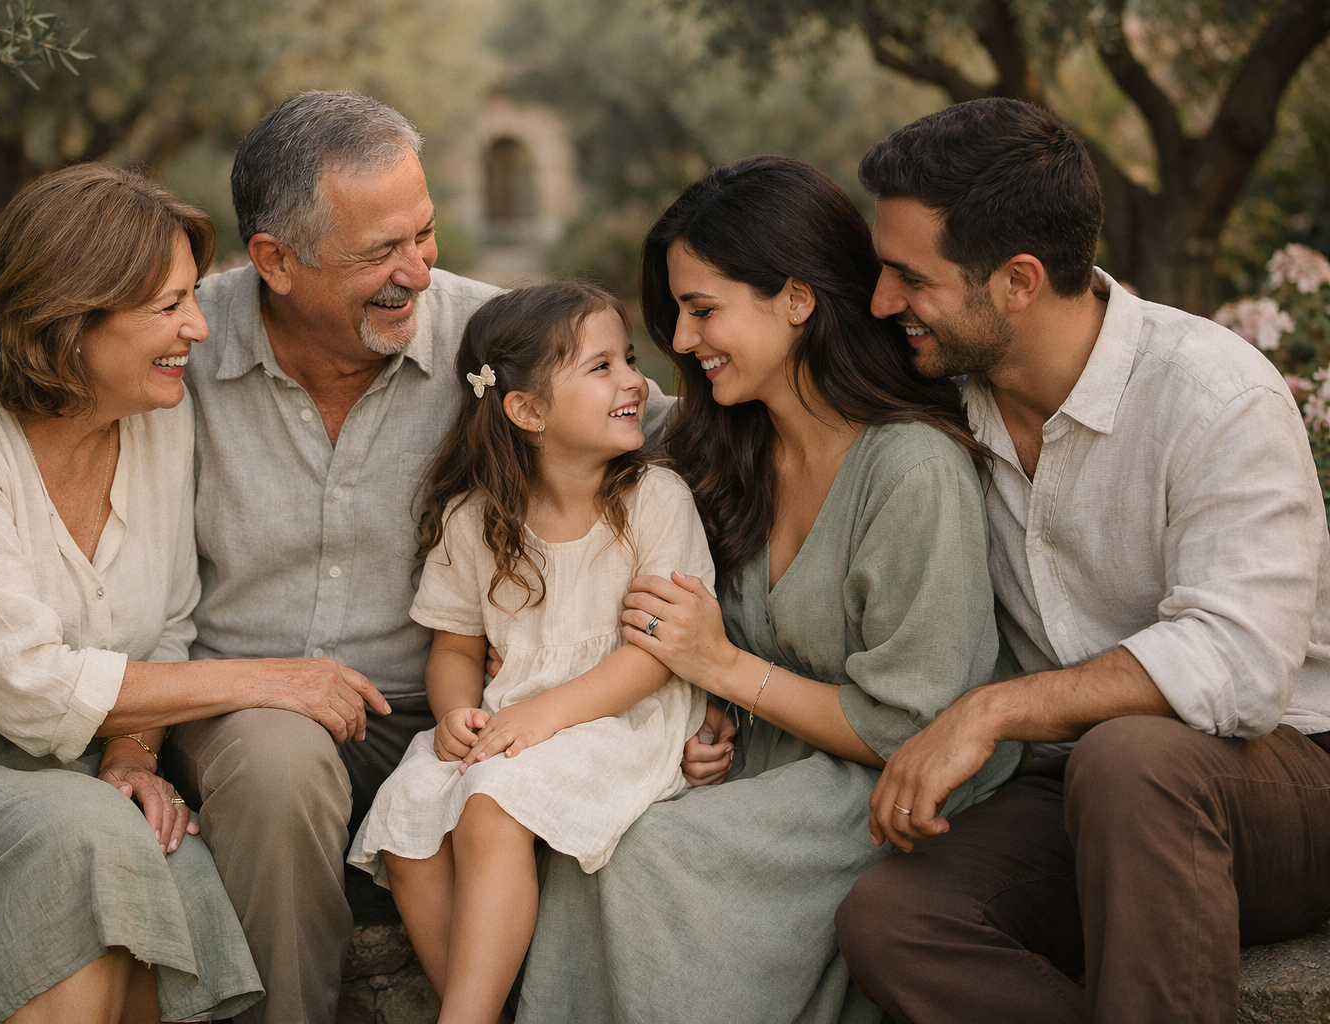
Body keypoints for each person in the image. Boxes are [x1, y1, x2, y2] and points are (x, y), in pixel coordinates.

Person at [0, 165, 391, 1024]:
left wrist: (129, 758)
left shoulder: (156, 417)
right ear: (69, 319)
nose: (197, 327)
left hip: (65, 775)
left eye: (193, 297)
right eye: (167, 306)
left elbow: (166, 624)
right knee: (88, 849)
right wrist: (272, 678)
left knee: (169, 884)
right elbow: (30, 686)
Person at [162, 91, 678, 1024]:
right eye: (378, 254)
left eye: (425, 234)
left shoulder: (499, 348)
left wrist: (720, 675)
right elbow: (39, 412)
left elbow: (676, 435)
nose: (417, 273)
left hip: (456, 713)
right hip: (251, 707)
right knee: (279, 769)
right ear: (274, 260)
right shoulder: (182, 345)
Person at [834, 98, 1330, 1024]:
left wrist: (996, 708)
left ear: (1018, 280)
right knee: (895, 918)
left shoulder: (1213, 395)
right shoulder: (940, 391)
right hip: (1076, 790)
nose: (881, 302)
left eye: (910, 276)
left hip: (1288, 783)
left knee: (1131, 760)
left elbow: (1242, 663)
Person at [516, 155, 1022, 1024]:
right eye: (676, 313)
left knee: (649, 857)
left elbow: (911, 724)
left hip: (892, 786)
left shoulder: (913, 472)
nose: (679, 341)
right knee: (581, 836)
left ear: (796, 299)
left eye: (703, 310)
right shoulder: (720, 450)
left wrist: (721, 669)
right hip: (760, 769)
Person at [348, 281, 714, 1023]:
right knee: (407, 814)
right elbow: (455, 647)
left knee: (488, 806)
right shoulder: (476, 518)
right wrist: (455, 715)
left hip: (624, 716)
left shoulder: (655, 500)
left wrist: (545, 716)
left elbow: (654, 655)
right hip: (514, 720)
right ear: (527, 411)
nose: (634, 382)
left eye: (629, 359)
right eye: (601, 367)